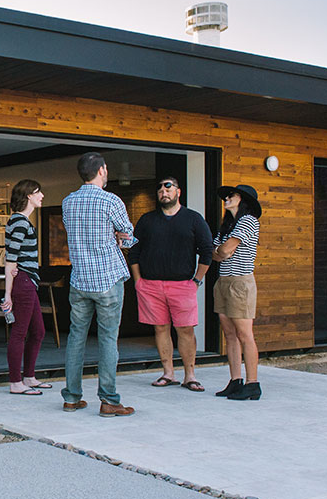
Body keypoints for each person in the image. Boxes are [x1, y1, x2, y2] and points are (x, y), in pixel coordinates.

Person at [60, 152, 136, 417]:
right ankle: (109, 399)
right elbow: (127, 238)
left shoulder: (68, 202)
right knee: (107, 338)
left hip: (80, 279)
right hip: (107, 279)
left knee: (76, 337)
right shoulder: (110, 201)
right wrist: (118, 239)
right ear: (102, 170)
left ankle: (71, 397)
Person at [128, 177, 215, 392]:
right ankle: (168, 373)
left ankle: (190, 376)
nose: (163, 191)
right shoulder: (147, 220)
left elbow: (207, 252)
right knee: (160, 328)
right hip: (150, 285)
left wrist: (196, 280)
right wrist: (138, 280)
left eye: (168, 187)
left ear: (178, 192)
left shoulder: (193, 219)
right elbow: (134, 251)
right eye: (159, 188)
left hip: (182, 284)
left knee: (185, 330)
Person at [212, 184, 263, 401]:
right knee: (229, 334)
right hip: (223, 281)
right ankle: (235, 380)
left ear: (242, 199)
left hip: (240, 283)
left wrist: (224, 251)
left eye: (230, 196)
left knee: (244, 334)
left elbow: (222, 250)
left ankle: (253, 384)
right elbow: (214, 254)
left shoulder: (249, 221)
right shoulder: (228, 225)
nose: (226, 199)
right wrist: (223, 251)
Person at [0, 179, 50, 395]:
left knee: (38, 331)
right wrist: (7, 294)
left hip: (28, 281)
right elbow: (11, 259)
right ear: (29, 195)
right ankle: (15, 383)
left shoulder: (20, 221)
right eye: (38, 192)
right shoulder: (20, 222)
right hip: (24, 282)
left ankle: (29, 377)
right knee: (20, 332)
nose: (42, 196)